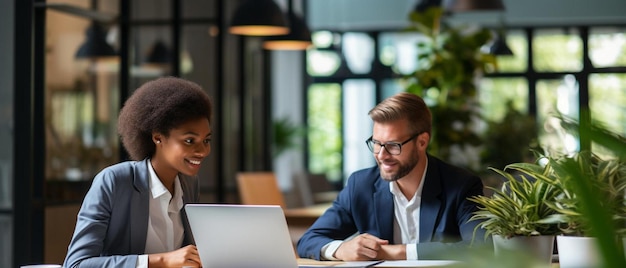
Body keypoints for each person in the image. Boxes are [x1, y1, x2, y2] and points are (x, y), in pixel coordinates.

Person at [296, 92, 488, 261]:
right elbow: (308, 240)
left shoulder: (462, 186)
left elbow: (481, 249)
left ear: (422, 142)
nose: (381, 155)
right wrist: (341, 249)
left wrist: (395, 252)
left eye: (393, 145)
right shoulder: (360, 185)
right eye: (377, 143)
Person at [63, 77, 212, 268]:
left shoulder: (189, 184)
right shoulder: (114, 182)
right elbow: (76, 264)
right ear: (158, 137)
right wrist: (161, 261)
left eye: (206, 141)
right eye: (190, 141)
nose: (202, 151)